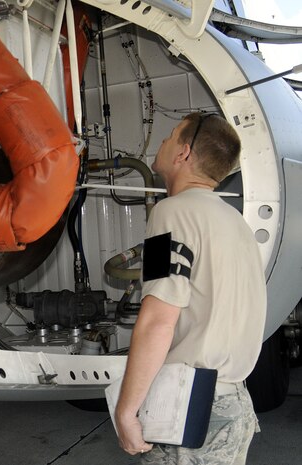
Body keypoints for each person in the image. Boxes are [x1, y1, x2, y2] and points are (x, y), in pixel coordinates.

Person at [114, 112, 267, 464]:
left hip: (188, 410)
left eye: (169, 136)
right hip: (233, 407)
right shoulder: (236, 223)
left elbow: (158, 320)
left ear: (183, 154)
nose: (163, 143)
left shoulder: (170, 214)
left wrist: (127, 411)